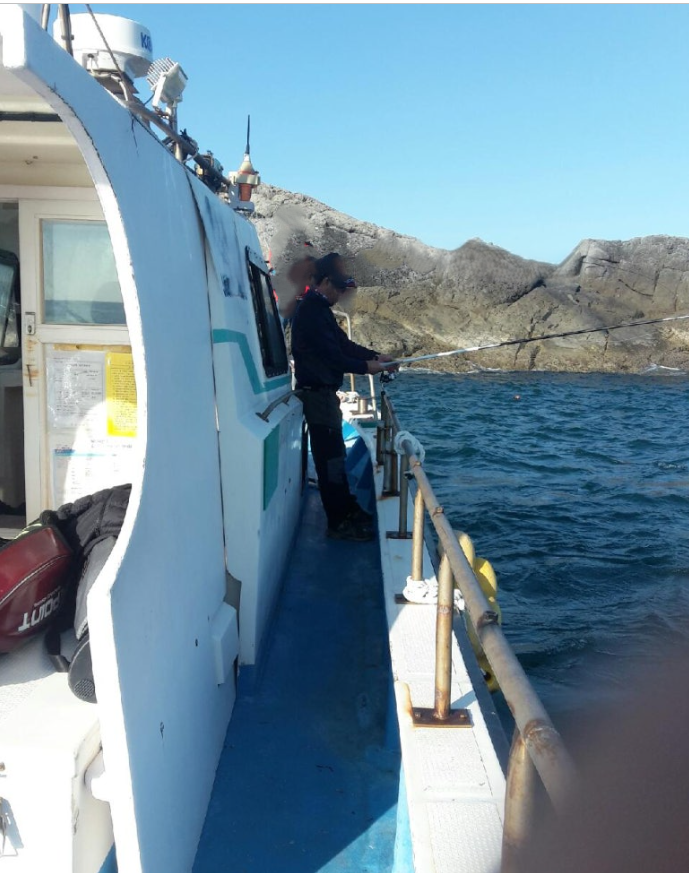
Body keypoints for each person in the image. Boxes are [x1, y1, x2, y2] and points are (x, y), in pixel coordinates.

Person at [290, 252, 397, 541]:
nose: (340, 295)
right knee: (330, 462)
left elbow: (344, 346)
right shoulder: (312, 311)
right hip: (317, 397)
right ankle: (338, 524)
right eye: (338, 288)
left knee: (336, 454)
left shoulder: (320, 309)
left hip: (326, 397)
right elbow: (333, 357)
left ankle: (347, 509)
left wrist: (376, 356)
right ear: (325, 282)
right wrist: (367, 367)